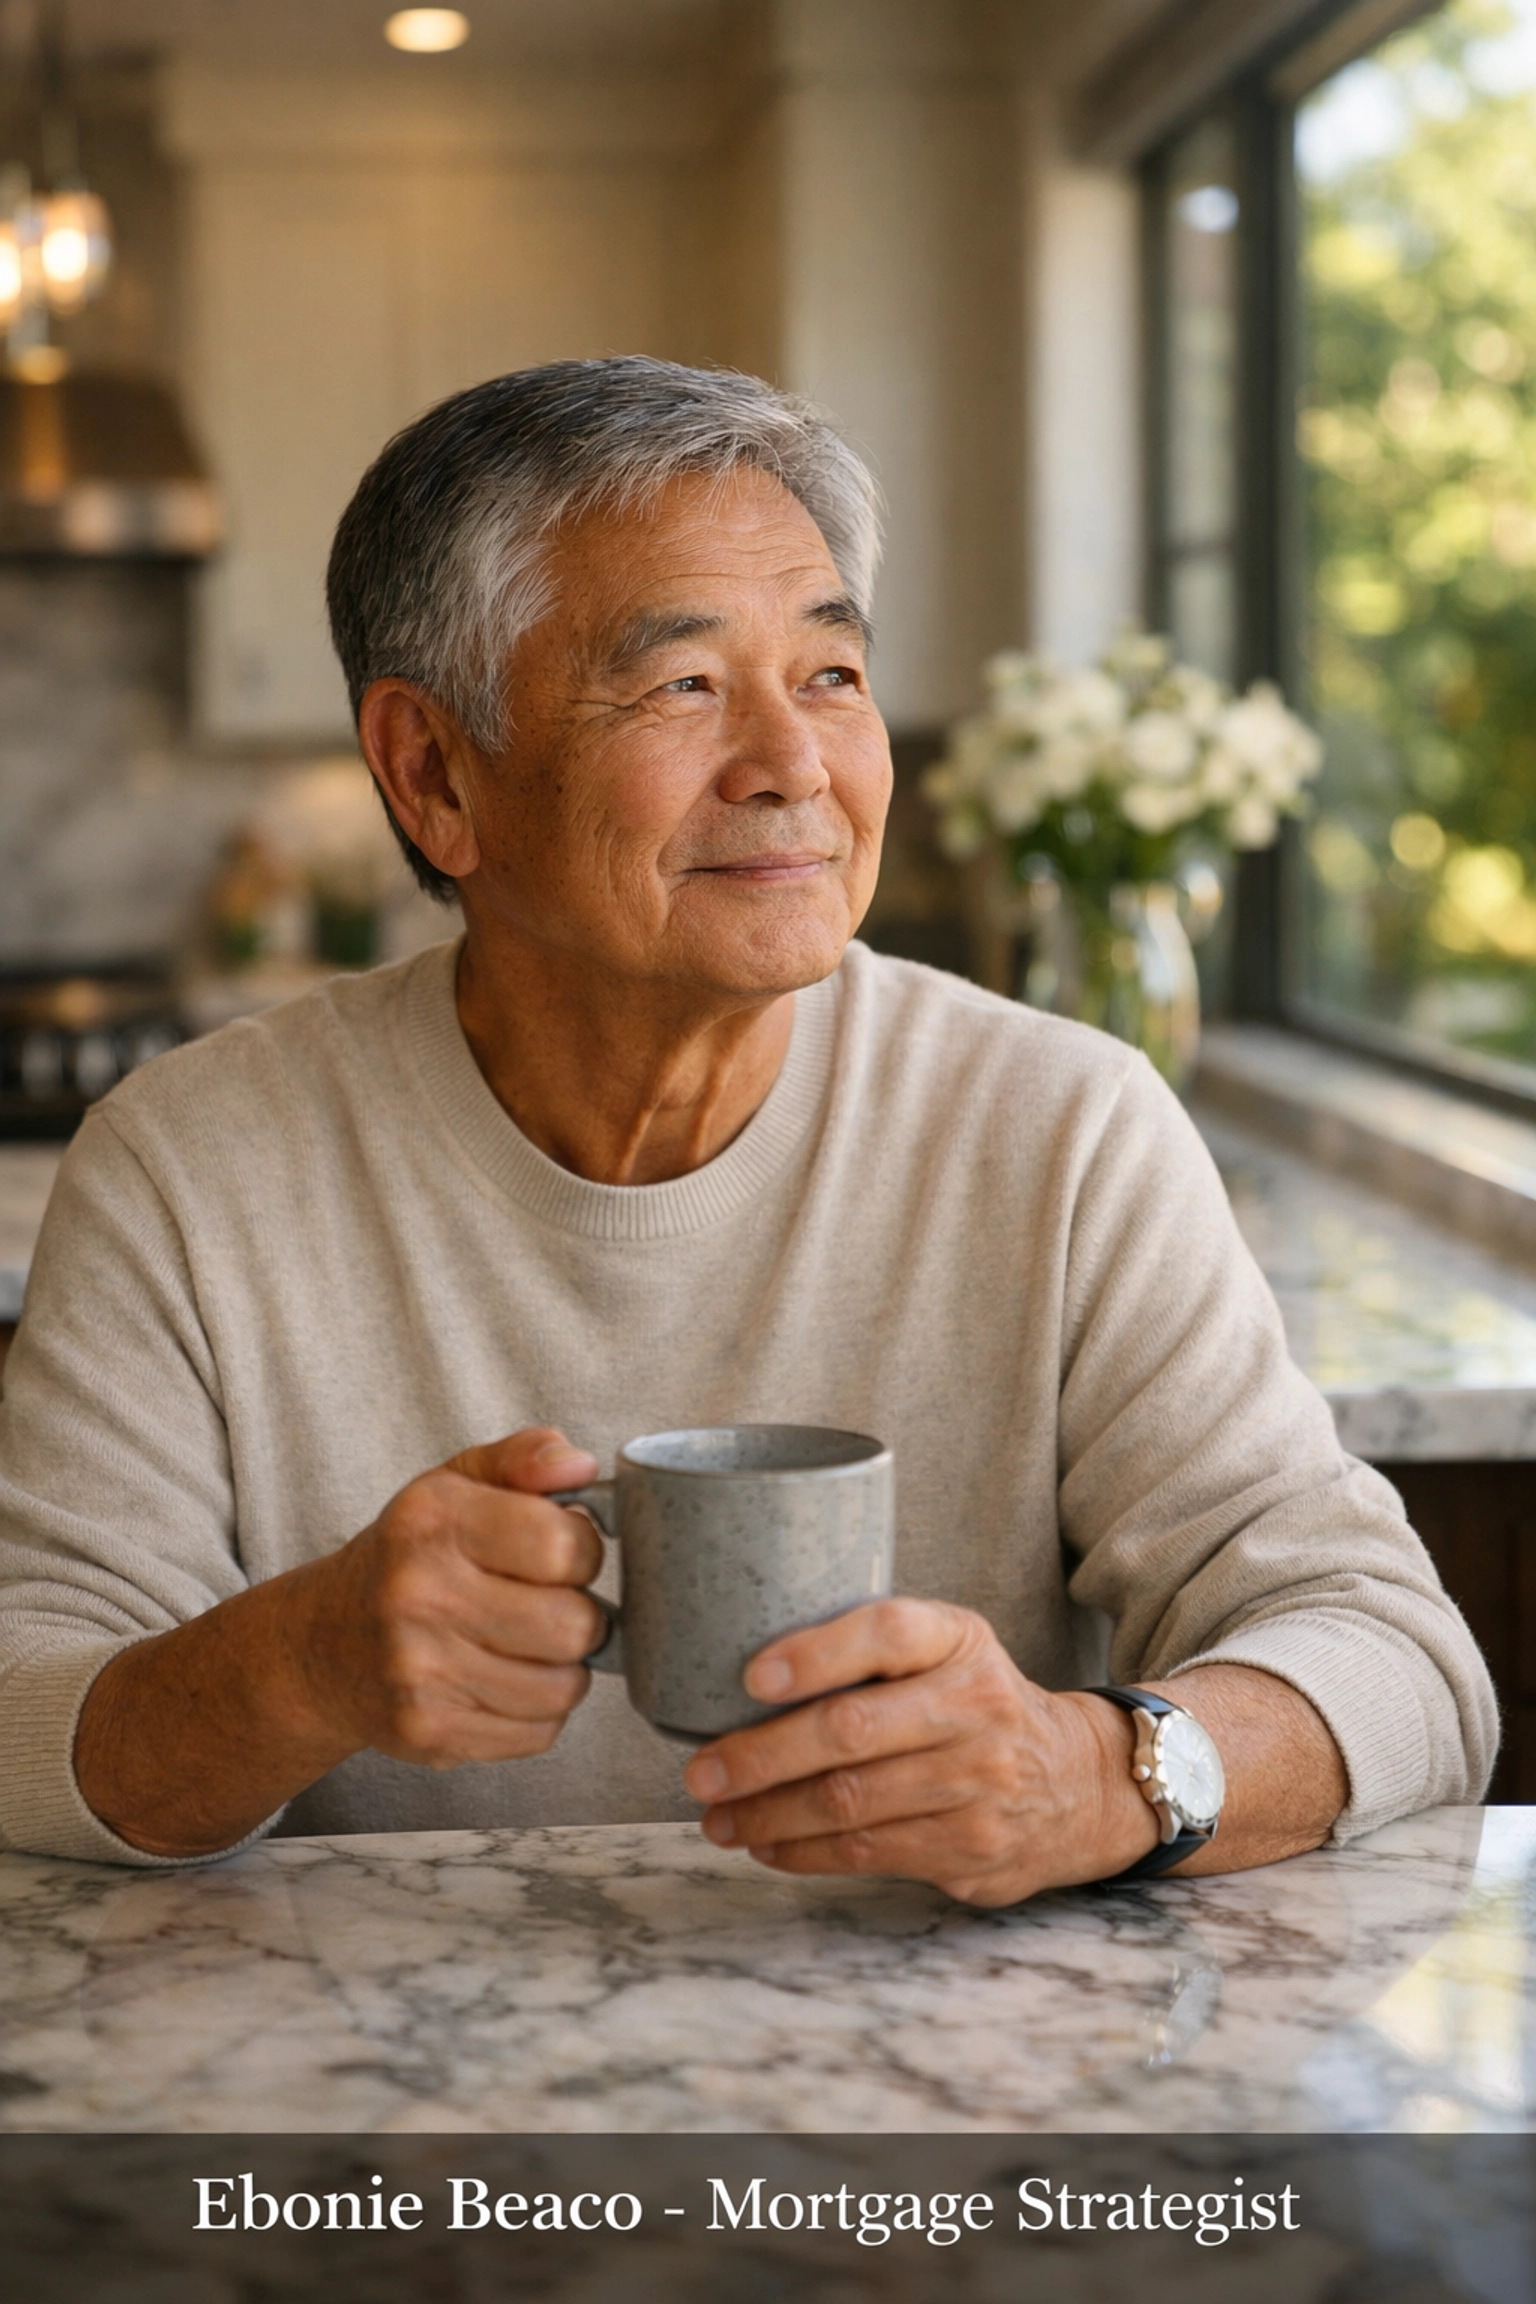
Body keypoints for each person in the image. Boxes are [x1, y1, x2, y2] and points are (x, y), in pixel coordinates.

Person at [0, 359, 1495, 1903]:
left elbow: (1398, 1658)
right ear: (436, 776)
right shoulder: (188, 1166)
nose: (797, 766)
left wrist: (1105, 1776)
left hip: (943, 2095)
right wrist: (297, 1667)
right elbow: (17, 1716)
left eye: (832, 675)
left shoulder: (1059, 1128)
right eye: (685, 685)